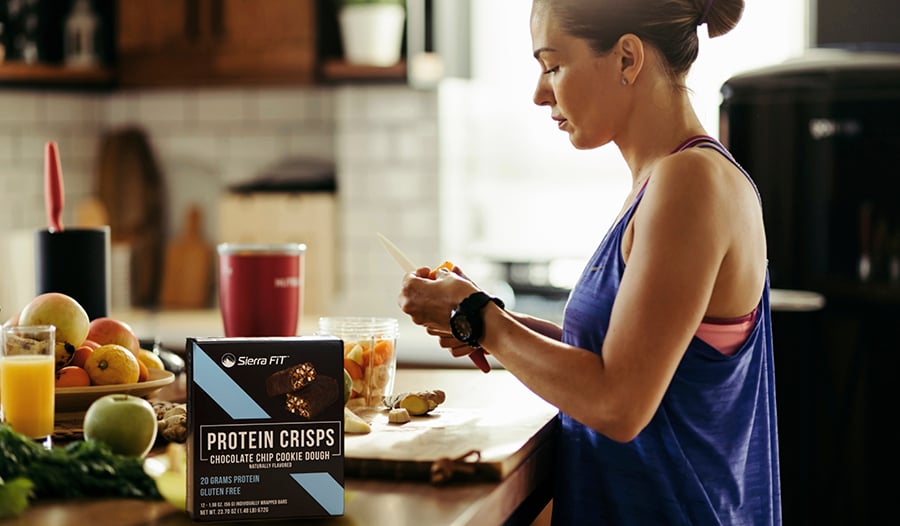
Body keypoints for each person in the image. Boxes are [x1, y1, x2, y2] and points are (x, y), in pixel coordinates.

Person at [398, 0, 781, 524]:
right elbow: (623, 362)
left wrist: (477, 318)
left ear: (627, 58)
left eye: (553, 65)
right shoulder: (662, 182)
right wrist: (491, 317)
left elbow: (618, 405)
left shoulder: (689, 182)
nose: (539, 92)